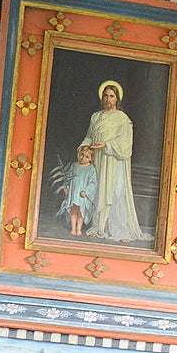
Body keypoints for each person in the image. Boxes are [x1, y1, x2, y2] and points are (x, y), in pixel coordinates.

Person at [79, 79, 148, 243]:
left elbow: (126, 143)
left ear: (117, 99)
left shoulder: (122, 118)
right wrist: (83, 147)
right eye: (105, 95)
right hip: (99, 160)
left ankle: (120, 230)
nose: (108, 99)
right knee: (99, 190)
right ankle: (98, 226)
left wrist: (107, 144)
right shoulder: (95, 117)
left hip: (114, 160)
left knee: (116, 193)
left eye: (111, 96)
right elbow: (89, 136)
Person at [58, 143, 98, 236]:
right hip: (74, 193)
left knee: (81, 212)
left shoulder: (91, 169)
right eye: (81, 155)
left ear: (91, 159)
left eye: (87, 157)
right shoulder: (74, 165)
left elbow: (93, 183)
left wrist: (86, 191)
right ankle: (73, 228)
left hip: (82, 194)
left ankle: (78, 228)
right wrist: (66, 187)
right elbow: (68, 177)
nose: (83, 158)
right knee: (73, 210)